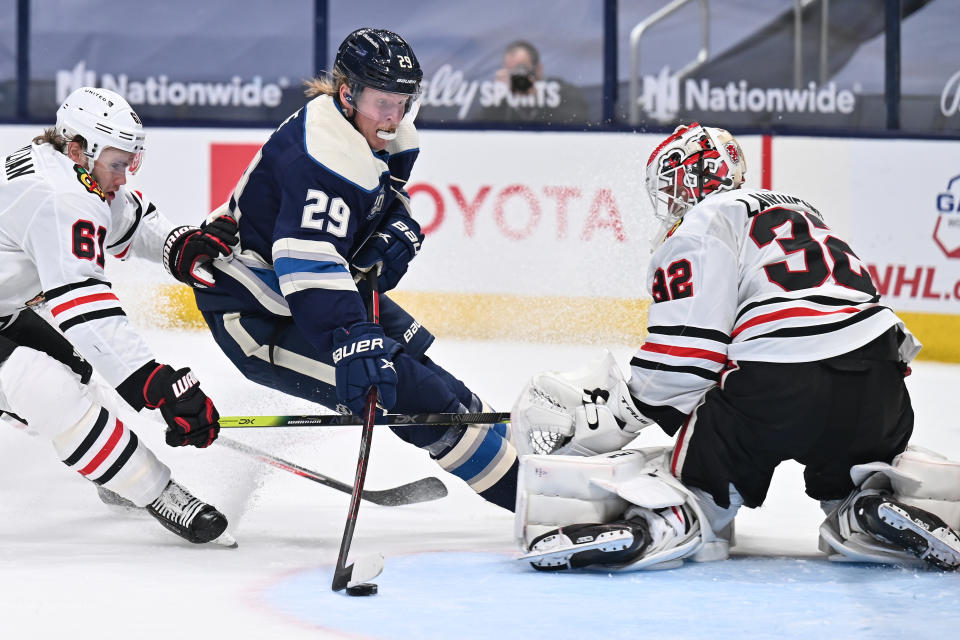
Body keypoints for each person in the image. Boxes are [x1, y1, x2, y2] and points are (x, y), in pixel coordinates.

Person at [510, 122, 960, 572]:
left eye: (670, 184)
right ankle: (861, 510)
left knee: (698, 480)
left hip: (779, 383)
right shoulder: (804, 213)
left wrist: (625, 411)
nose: (668, 200)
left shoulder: (703, 223)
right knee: (850, 472)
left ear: (694, 175)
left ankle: (666, 523)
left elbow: (685, 361)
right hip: (880, 386)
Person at [188, 28, 518, 510]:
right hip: (256, 315)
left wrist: (397, 232)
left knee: (434, 378)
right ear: (348, 93)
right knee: (416, 394)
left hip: (315, 295)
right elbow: (308, 260)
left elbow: (381, 203)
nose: (393, 115)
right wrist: (350, 337)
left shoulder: (388, 132)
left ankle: (534, 466)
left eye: (403, 101)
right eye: (383, 100)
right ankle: (534, 499)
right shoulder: (323, 152)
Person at [0, 86, 238, 545]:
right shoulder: (59, 196)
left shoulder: (66, 167)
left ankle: (115, 471)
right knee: (45, 390)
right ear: (77, 149)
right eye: (116, 164)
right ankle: (156, 490)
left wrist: (176, 245)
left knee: (77, 372)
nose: (122, 177)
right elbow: (85, 309)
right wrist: (155, 384)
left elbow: (124, 214)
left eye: (129, 163)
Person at [475, 40, 590, 125]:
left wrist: (540, 96)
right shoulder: (501, 102)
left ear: (538, 69)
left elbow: (578, 121)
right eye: (511, 72)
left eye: (522, 70)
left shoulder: (560, 92)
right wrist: (497, 97)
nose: (518, 77)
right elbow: (481, 127)